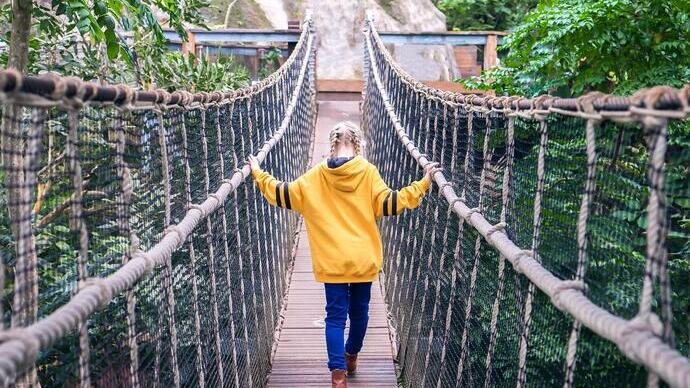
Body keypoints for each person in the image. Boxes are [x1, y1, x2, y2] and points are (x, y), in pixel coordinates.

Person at [248, 121, 438, 388]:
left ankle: (338, 376)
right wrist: (423, 183)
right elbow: (391, 203)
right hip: (363, 261)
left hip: (332, 263)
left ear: (332, 143)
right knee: (360, 315)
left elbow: (283, 194)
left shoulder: (315, 176)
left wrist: (258, 173)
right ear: (357, 144)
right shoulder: (368, 172)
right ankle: (351, 355)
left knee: (335, 318)